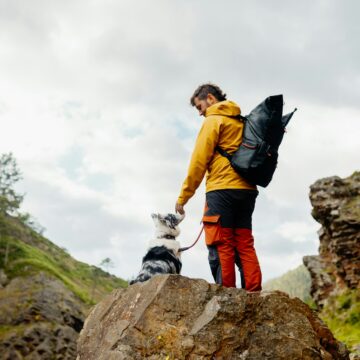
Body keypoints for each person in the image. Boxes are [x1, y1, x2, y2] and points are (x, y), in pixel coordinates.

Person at [175, 83, 262, 291]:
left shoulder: (213, 121)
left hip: (221, 190)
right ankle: (254, 295)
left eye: (199, 107)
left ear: (211, 99)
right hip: (248, 190)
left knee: (221, 244)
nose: (200, 113)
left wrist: (183, 197)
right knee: (244, 243)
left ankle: (228, 298)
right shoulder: (243, 121)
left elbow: (198, 162)